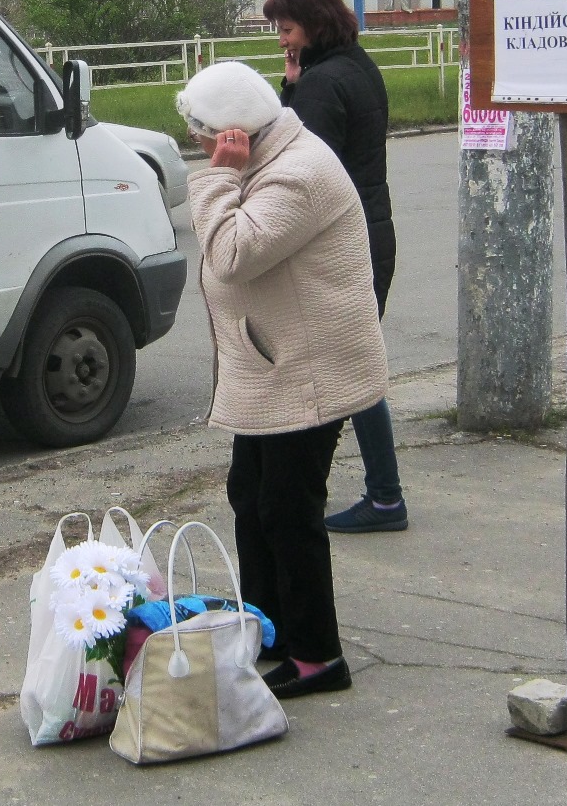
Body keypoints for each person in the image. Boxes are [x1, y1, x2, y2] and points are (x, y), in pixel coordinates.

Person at [177, 60, 388, 700]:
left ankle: (319, 656)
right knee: (251, 494)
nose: (198, 144)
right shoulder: (271, 155)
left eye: (203, 134)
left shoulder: (299, 173)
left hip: (310, 369)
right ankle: (269, 631)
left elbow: (234, 255)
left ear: (234, 132)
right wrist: (231, 172)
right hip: (277, 364)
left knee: (289, 510)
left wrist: (218, 180)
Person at [262, 0, 408, 534]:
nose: (281, 40)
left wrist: (293, 92)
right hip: (374, 230)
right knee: (355, 364)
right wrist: (295, 84)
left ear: (315, 26)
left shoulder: (321, 86)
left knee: (349, 369)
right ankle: (383, 492)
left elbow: (298, 168)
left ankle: (384, 496)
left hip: (342, 244)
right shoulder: (359, 66)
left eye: (288, 28)